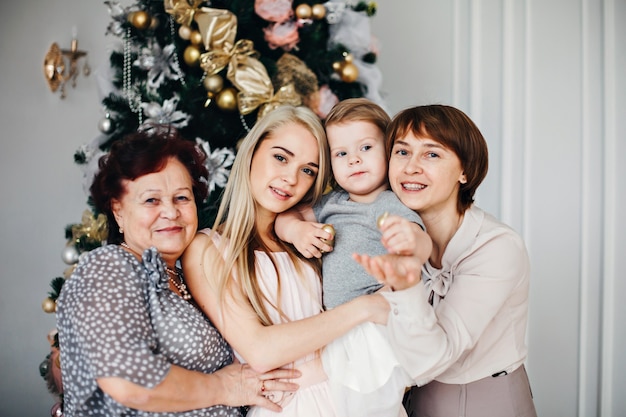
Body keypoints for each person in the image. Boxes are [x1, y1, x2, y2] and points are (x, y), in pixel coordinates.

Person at [56, 130, 301, 416]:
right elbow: (128, 381)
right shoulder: (109, 266)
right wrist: (223, 388)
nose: (171, 212)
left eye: (182, 198)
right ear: (118, 211)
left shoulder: (187, 278)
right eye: (152, 200)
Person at [181, 105, 394, 417]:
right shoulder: (208, 249)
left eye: (308, 170)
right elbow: (261, 351)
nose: (291, 178)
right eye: (280, 157)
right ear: (252, 152)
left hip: (354, 392)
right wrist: (364, 308)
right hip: (287, 407)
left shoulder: (311, 237)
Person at [353, 104, 538, 417]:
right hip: (413, 399)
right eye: (402, 152)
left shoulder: (498, 247)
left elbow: (432, 360)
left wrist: (406, 284)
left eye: (431, 154)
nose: (410, 167)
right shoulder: (386, 233)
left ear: (464, 171)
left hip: (488, 401)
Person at [274, 98, 433, 416]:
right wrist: (297, 232)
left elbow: (423, 242)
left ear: (388, 152)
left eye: (366, 148)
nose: (354, 160)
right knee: (341, 397)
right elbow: (284, 217)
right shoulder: (329, 202)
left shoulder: (391, 204)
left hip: (376, 321)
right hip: (340, 322)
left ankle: (302, 382)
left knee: (367, 398)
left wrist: (410, 243)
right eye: (341, 153)